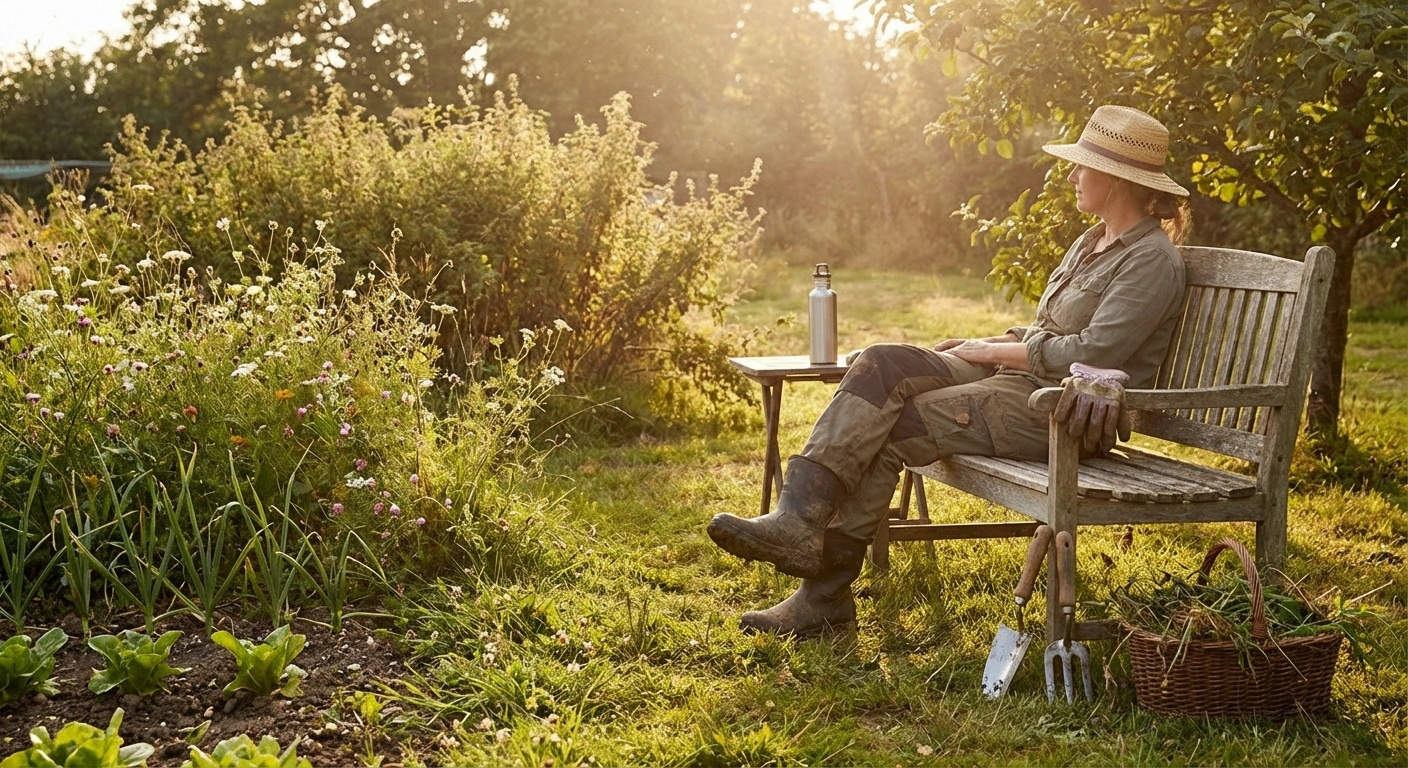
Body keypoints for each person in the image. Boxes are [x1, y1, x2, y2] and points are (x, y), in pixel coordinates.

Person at [707, 105, 1193, 638]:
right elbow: (1043, 330)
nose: (1073, 176)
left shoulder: (1151, 260)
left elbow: (1095, 353)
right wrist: (990, 343)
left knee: (902, 424)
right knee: (881, 363)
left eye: (1083, 168)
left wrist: (996, 355)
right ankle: (797, 519)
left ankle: (823, 598)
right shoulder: (1089, 244)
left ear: (1117, 179)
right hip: (1019, 380)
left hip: (1060, 412)